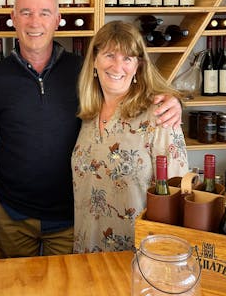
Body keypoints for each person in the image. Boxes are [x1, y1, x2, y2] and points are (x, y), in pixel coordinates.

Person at [0, 0, 183, 259]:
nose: (35, 21)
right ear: (13, 18)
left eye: (44, 13)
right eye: (25, 12)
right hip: (12, 214)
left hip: (73, 218)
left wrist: (174, 101)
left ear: (58, 19)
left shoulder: (81, 73)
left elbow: (132, 89)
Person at [72, 20, 189, 253]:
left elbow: (180, 196)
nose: (118, 66)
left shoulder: (159, 117)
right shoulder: (88, 116)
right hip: (86, 252)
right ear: (94, 60)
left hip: (139, 257)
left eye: (128, 58)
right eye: (109, 55)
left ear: (138, 66)